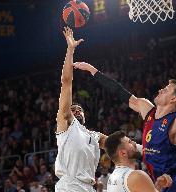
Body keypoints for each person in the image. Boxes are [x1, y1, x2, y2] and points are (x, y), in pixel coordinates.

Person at [73, 62, 176, 191]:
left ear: (173, 99)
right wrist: (92, 70)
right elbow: (119, 91)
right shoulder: (146, 108)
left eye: (166, 90)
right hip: (159, 181)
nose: (160, 90)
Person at [55, 27, 107, 192]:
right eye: (73, 109)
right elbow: (66, 81)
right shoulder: (66, 125)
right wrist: (70, 50)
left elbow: (119, 144)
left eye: (80, 109)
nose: (77, 111)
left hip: (88, 188)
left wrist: (154, 148)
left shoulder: (94, 136)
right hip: (70, 186)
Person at [105, 131, 172, 192]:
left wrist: (158, 186)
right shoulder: (136, 176)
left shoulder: (112, 178)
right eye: (129, 142)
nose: (134, 143)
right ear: (123, 153)